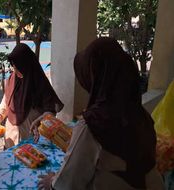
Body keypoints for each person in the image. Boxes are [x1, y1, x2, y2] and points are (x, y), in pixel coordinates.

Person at [34, 37, 164, 189]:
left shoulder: (94, 126)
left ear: (97, 77)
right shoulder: (141, 116)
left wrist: (52, 181)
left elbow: (68, 182)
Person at [0, 43, 64, 149]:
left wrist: (40, 119)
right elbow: (6, 102)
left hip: (31, 141)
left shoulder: (39, 83)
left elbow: (51, 111)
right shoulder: (13, 79)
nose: (15, 71)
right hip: (11, 139)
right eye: (14, 67)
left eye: (17, 68)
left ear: (27, 65)